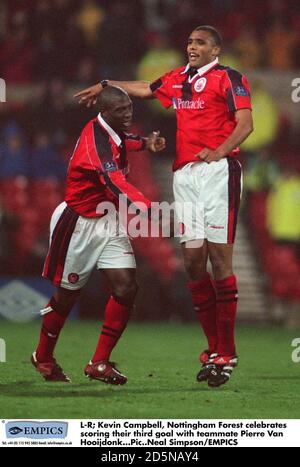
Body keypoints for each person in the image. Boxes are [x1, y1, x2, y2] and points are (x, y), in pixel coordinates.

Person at [75, 25, 253, 388]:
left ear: (216, 49)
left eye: (200, 42)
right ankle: (214, 347)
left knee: (219, 259)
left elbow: (246, 123)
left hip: (218, 171)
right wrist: (109, 84)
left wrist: (219, 151)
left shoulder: (229, 78)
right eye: (189, 41)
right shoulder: (177, 79)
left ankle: (227, 350)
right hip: (185, 175)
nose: (192, 46)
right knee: (191, 261)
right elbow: (146, 89)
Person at [32, 86, 166, 384]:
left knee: (126, 287)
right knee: (66, 298)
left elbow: (123, 142)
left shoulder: (110, 131)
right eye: (121, 111)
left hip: (108, 220)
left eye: (130, 108)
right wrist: (150, 209)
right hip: (78, 222)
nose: (128, 114)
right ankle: (43, 356)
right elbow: (114, 180)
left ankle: (99, 362)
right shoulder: (95, 142)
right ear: (104, 112)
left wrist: (146, 143)